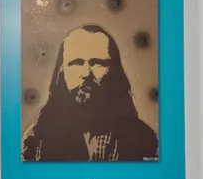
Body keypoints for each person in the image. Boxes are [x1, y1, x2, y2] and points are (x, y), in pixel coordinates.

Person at [22, 24, 158, 161]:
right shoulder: (35, 139)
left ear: (114, 71)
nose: (86, 73)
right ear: (61, 72)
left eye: (97, 63)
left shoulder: (146, 140)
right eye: (76, 63)